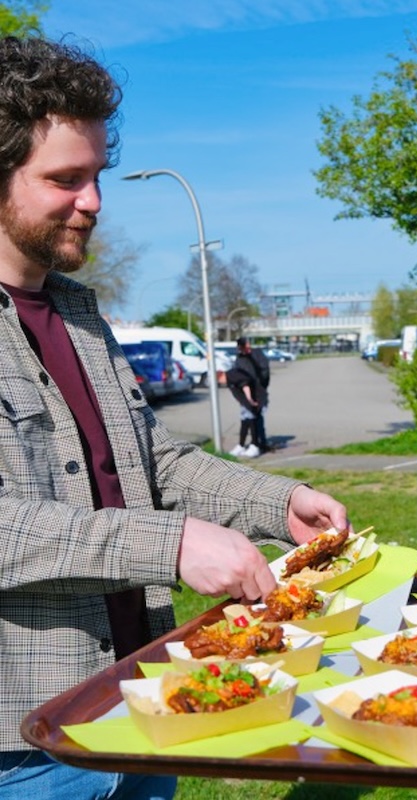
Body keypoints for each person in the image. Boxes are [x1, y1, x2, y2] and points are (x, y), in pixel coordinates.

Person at [0, 37, 349, 798]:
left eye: (98, 176)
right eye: (66, 179)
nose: (94, 202)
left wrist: (275, 503)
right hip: (28, 746)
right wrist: (172, 543)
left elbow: (152, 462)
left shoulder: (79, 313)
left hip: (143, 698)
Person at [226, 337, 271, 457]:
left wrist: (261, 386)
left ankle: (258, 443)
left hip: (257, 391)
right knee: (247, 417)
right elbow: (239, 376)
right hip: (246, 393)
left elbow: (265, 371)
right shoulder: (240, 358)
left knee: (256, 418)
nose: (243, 350)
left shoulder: (257, 354)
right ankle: (251, 444)